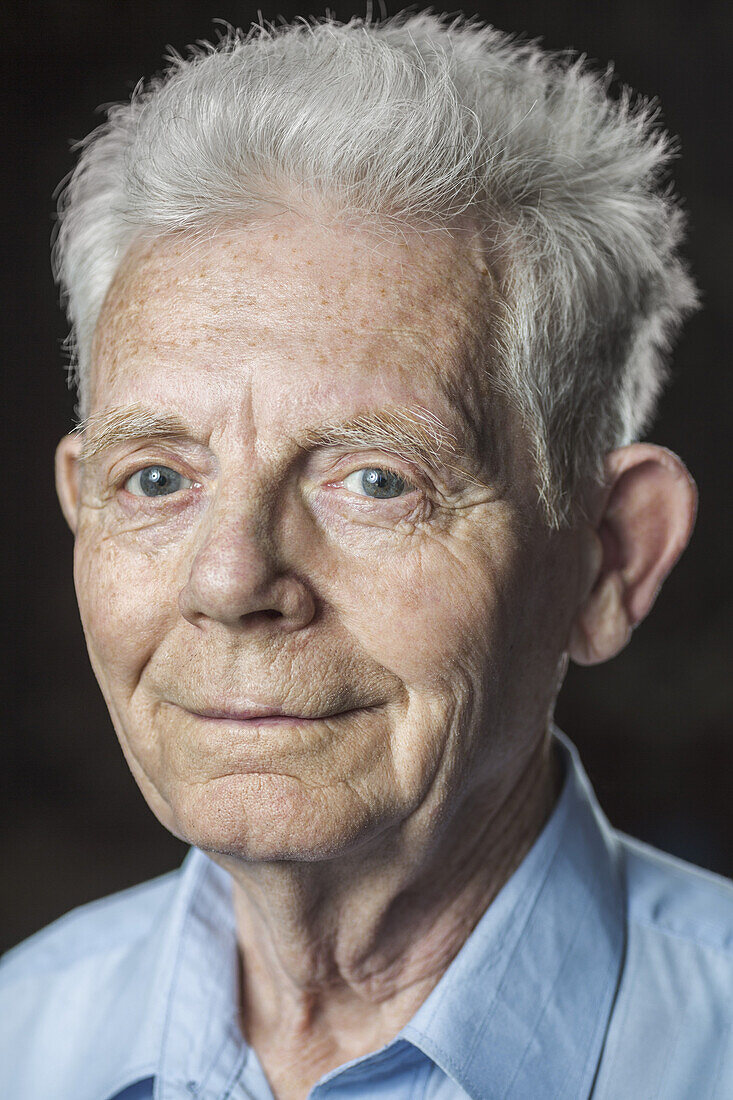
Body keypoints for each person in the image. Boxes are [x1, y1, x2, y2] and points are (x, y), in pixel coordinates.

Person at [1, 12, 730, 1099]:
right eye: (156, 478)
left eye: (379, 481)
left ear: (609, 559)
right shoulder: (21, 1031)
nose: (230, 578)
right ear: (80, 505)